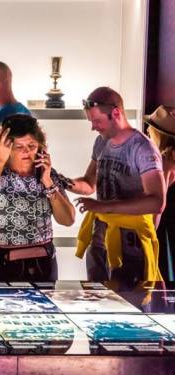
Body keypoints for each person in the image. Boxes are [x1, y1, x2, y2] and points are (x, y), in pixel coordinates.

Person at [67, 87, 166, 282]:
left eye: (97, 121)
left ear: (116, 113)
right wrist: (59, 180)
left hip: (130, 243)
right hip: (100, 236)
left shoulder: (143, 149)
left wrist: (103, 206)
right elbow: (89, 183)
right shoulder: (101, 143)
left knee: (128, 303)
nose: (93, 127)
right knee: (96, 299)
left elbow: (156, 202)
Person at [0, 114, 75, 282]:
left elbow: (68, 219)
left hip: (43, 264)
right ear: (5, 147)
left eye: (31, 145)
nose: (26, 151)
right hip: (0, 263)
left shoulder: (47, 173)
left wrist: (48, 182)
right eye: (19, 146)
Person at [144, 105, 175, 280]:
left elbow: (156, 208)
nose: (148, 131)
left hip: (165, 234)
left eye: (151, 128)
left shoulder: (163, 164)